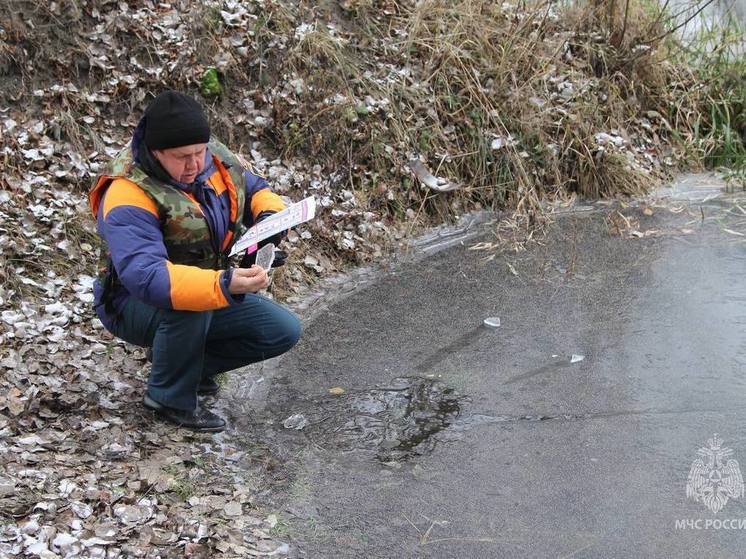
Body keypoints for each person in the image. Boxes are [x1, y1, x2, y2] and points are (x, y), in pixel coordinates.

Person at [89, 90, 301, 432]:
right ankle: (168, 396)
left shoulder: (212, 158)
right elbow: (148, 277)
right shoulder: (126, 193)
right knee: (192, 306)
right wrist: (223, 284)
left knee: (281, 331)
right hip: (131, 302)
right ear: (155, 152)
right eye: (181, 157)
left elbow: (254, 187)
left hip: (204, 286)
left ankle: (177, 363)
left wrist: (269, 221)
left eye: (199, 152)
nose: (193, 164)